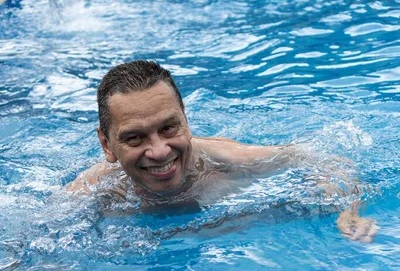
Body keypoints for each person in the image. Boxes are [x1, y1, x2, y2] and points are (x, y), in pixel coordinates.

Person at [67, 60, 377, 242]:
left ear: (186, 120)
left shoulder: (226, 162)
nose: (160, 151)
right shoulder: (95, 190)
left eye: (168, 128)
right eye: (135, 138)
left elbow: (320, 155)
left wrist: (348, 208)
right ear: (106, 145)